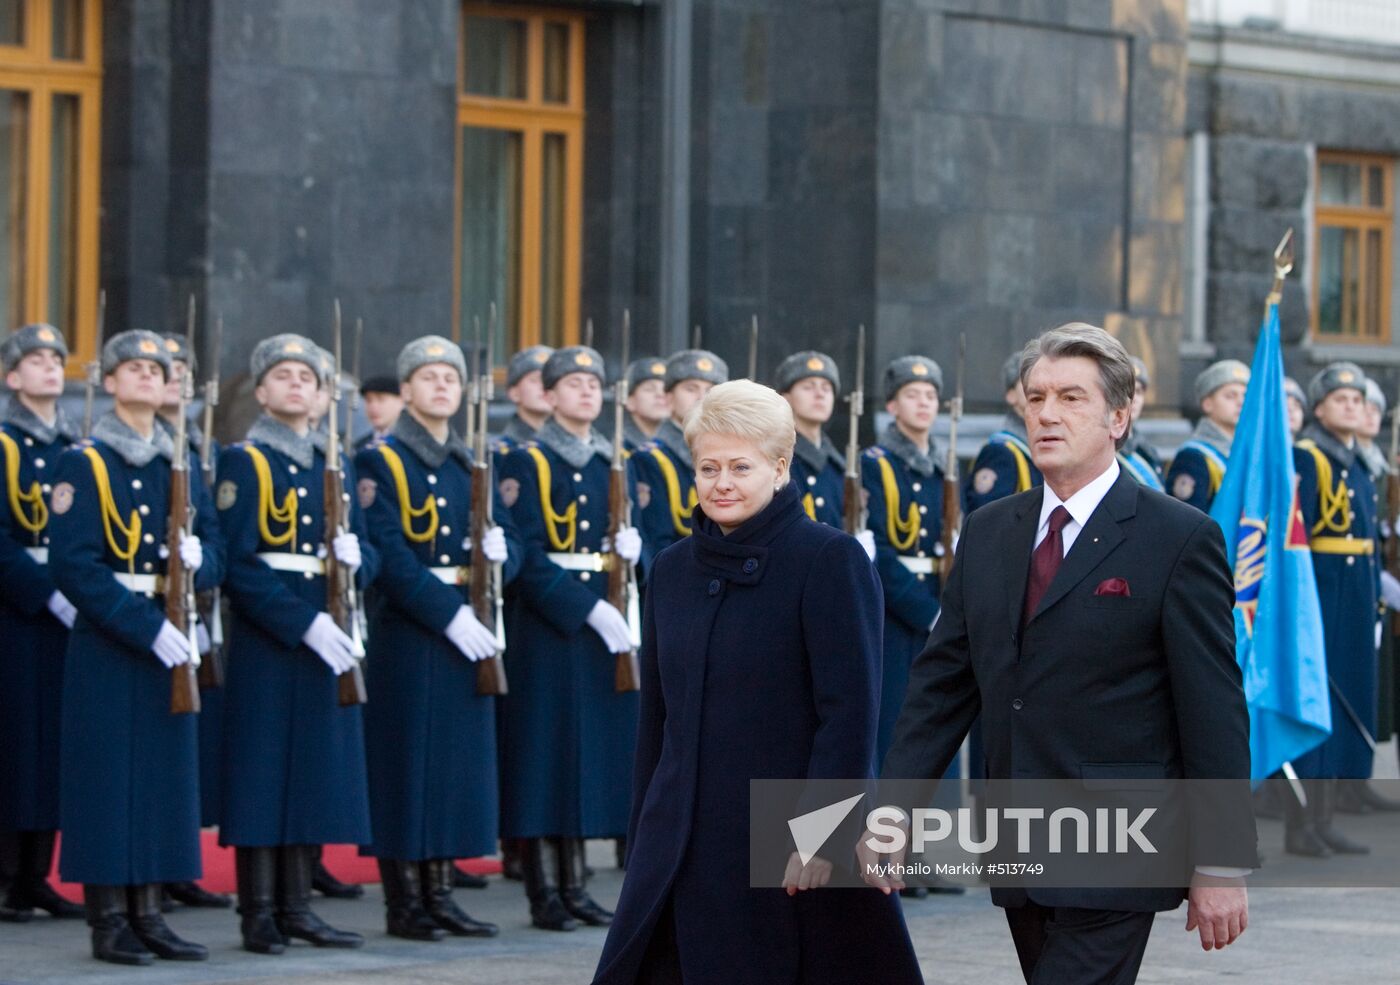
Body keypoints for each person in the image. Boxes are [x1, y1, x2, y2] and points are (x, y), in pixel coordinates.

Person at [867, 324, 1257, 985]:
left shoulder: (1178, 537)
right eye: (1036, 395)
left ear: (1120, 414)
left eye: (1071, 397)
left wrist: (1219, 859)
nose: (1047, 413)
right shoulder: (991, 530)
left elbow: (1213, 706)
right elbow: (942, 684)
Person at [592, 379, 923, 985]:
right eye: (707, 467)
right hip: (682, 838)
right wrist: (646, 834)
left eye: (740, 467)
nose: (721, 483)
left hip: (784, 838)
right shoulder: (670, 570)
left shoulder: (828, 559)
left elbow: (848, 714)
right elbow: (656, 721)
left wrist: (820, 832)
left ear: (780, 467)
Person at [49, 330, 225, 965]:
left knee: (162, 782)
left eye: (160, 368)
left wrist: (200, 568)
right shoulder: (86, 461)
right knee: (107, 782)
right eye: (136, 367)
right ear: (110, 381)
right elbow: (74, 565)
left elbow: (217, 551)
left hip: (172, 633)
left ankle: (150, 912)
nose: (150, 376)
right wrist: (144, 627)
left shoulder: (180, 459)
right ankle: (109, 921)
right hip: (114, 641)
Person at [214, 334, 379, 954]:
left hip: (328, 634)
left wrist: (356, 563)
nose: (295, 385)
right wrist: (299, 622)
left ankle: (299, 907)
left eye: (306, 378)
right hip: (273, 638)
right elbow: (239, 562)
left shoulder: (332, 464)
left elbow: (366, 555)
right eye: (282, 376)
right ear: (260, 391)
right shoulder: (245, 461)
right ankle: (258, 912)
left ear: (321, 395)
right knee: (262, 775)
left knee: (311, 771)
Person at [355, 336, 522, 940]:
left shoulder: (470, 460)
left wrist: (507, 559)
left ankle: (441, 893)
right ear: (405, 390)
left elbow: (510, 536)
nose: (442, 386)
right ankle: (404, 901)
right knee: (407, 769)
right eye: (428, 377)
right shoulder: (381, 460)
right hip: (414, 632)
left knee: (452, 770)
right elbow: (390, 556)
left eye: (450, 377)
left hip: (469, 629)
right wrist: (448, 615)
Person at [497, 346, 643, 932]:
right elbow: (525, 554)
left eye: (593, 383)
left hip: (602, 623)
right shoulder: (524, 461)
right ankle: (544, 891)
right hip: (549, 626)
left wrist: (635, 561)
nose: (586, 392)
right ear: (549, 395)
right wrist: (584, 607)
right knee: (544, 758)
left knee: (585, 759)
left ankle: (576, 883)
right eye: (572, 383)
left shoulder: (614, 460)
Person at [0, 324, 84, 923]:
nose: (50, 368)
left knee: (53, 743)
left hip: (71, 611)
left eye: (57, 359)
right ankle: (6, 875)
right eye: (36, 360)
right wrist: (44, 594)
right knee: (14, 745)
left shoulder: (75, 451)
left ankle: (36, 875)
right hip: (17, 612)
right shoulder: (3, 445)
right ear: (12, 377)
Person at [1287, 364, 1382, 854]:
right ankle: (1301, 823)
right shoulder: (1310, 457)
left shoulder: (1356, 461)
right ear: (1319, 409)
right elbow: (1293, 531)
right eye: (1339, 398)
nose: (1350, 406)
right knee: (1315, 703)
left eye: (1356, 398)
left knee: (1344, 705)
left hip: (1355, 596)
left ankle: (1324, 817)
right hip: (1322, 595)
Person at [153, 333, 233, 912]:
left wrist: (204, 569)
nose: (176, 378)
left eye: (183, 368)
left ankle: (175, 867)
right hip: (142, 614)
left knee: (181, 751)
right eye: (165, 368)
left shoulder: (197, 444)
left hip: (190, 611)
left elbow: (213, 534)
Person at [861, 356, 950, 766]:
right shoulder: (875, 464)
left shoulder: (942, 469)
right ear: (892, 407)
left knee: (941, 718)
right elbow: (877, 549)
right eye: (911, 395)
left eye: (930, 395)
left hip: (940, 603)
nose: (923, 403)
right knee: (895, 719)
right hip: (897, 615)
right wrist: (927, 612)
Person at [630, 349, 728, 570]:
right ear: (668, 399)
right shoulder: (650, 459)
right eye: (691, 388)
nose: (702, 397)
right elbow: (657, 543)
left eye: (710, 390)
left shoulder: (731, 458)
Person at [775, 350, 848, 530]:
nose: (819, 394)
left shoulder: (838, 465)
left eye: (826, 388)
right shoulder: (776, 454)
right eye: (808, 387)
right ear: (786, 398)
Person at [1166, 360, 1249, 512]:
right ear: (1207, 404)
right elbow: (1187, 521)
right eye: (1231, 396)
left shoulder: (1244, 452)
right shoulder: (1193, 457)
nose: (1241, 402)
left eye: (1245, 395)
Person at [965, 352, 1042, 514]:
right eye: (1028, 381)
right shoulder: (1001, 452)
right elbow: (987, 520)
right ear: (1011, 396)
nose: (1039, 388)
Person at [496, 346, 555, 458]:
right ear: (514, 393)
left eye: (549, 381)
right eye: (535, 380)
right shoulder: (502, 452)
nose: (544, 386)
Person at [1117, 356, 1164, 490]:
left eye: (1138, 391)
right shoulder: (1103, 451)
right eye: (1128, 391)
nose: (1134, 398)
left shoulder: (1147, 450)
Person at [622, 357, 668, 451]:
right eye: (649, 389)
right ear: (630, 401)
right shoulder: (620, 449)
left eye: (665, 390)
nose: (660, 394)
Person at [354, 375, 404, 452]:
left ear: (401, 401)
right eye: (368, 400)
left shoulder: (410, 442)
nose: (373, 407)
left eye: (381, 399)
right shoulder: (360, 445)